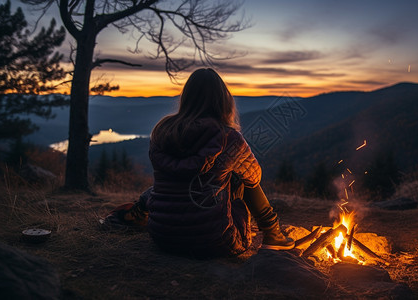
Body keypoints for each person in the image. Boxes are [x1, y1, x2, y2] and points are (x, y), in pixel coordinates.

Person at [106, 68, 294, 257]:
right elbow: (254, 178)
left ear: (186, 98)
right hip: (219, 242)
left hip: (163, 238)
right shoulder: (228, 137)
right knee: (240, 177)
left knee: (169, 183)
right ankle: (273, 234)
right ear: (223, 100)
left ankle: (138, 215)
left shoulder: (162, 132)